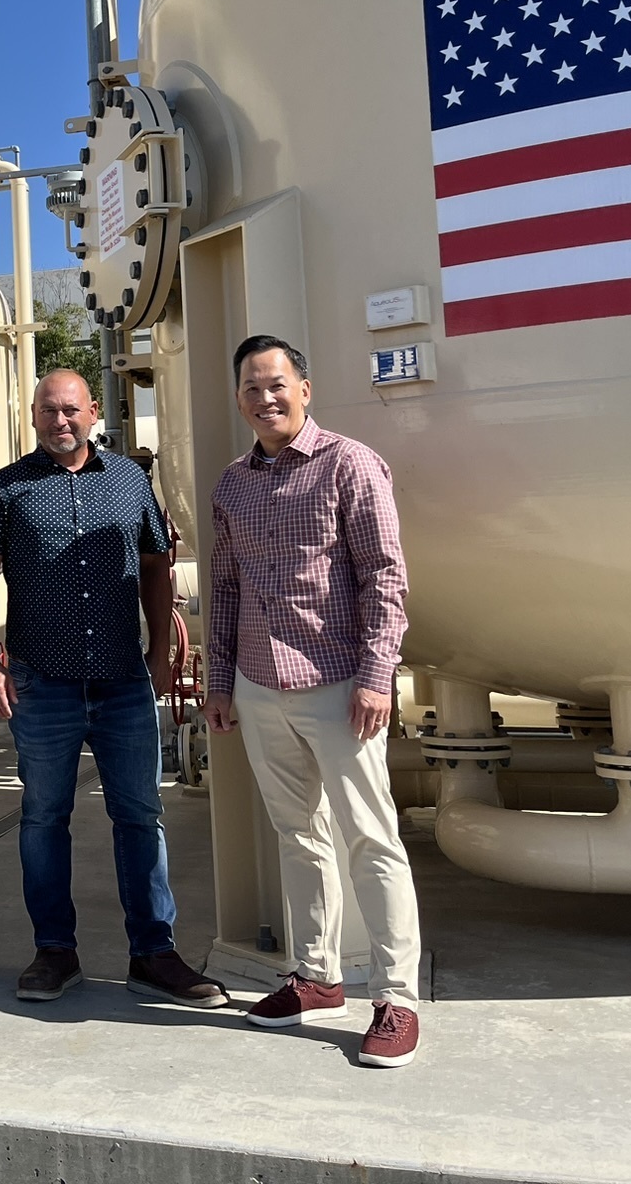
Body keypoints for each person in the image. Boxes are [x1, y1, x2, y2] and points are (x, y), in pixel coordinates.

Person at [0, 370, 225, 1008]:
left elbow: (158, 565)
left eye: (72, 410)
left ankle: (153, 953)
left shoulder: (130, 481)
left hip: (122, 682)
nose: (61, 421)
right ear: (32, 417)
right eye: (49, 411)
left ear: (92, 414)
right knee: (44, 818)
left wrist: (161, 652)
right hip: (41, 680)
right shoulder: (6, 489)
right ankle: (55, 951)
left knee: (140, 816)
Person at [202, 334, 422, 1068]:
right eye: (252, 388)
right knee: (297, 838)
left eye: (277, 383)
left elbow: (384, 578)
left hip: (339, 688)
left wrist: (376, 676)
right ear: (240, 401)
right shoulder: (232, 485)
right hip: (262, 689)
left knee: (371, 839)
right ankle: (318, 977)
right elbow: (225, 590)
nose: (266, 397)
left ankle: (396, 998)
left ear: (304, 388)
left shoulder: (349, 465)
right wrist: (221, 681)